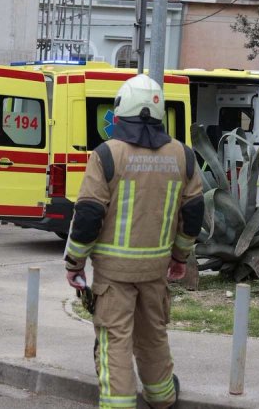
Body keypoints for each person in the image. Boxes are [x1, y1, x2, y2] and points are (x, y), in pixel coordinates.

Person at [63, 75, 204, 409]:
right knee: (153, 335)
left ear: (120, 110)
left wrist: (74, 263)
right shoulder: (183, 156)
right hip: (156, 270)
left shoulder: (106, 155)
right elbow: (194, 213)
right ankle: (163, 397)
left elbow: (88, 215)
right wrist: (180, 256)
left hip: (114, 275)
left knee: (115, 342)